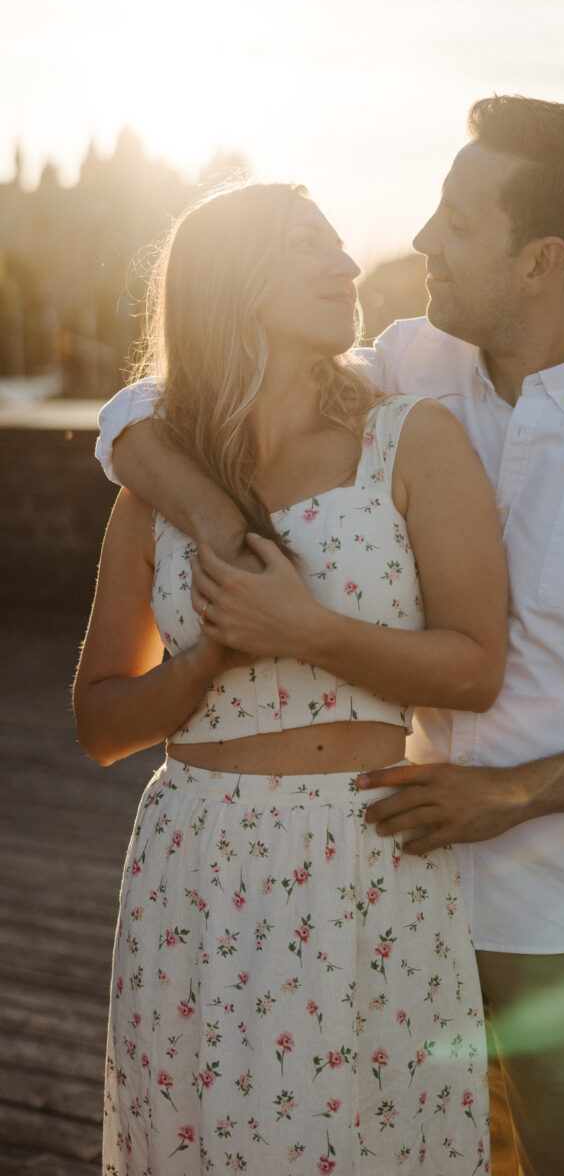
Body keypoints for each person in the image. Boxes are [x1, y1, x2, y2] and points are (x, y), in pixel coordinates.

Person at [95, 97, 564, 1176]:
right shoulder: (405, 367)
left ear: (538, 261)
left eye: (456, 223)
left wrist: (517, 789)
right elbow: (145, 409)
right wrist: (221, 528)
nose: (418, 242)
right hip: (378, 891)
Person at [75, 180, 508, 1175]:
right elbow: (101, 725)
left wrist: (302, 628)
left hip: (362, 857)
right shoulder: (156, 487)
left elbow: (473, 669)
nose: (346, 264)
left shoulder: (410, 439)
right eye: (308, 245)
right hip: (197, 859)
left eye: (338, 246)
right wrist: (208, 660)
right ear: (233, 280)